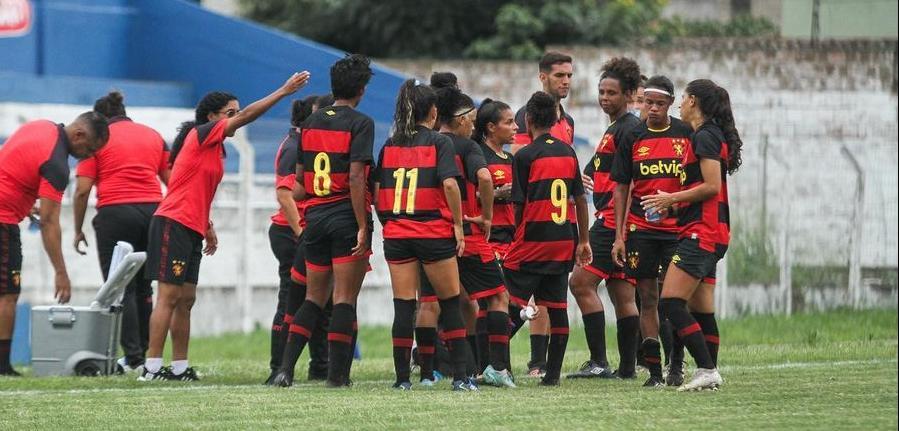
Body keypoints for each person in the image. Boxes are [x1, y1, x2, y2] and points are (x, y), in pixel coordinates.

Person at [140, 71, 310, 381]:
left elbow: (193, 187)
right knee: (168, 296)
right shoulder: (203, 134)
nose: (236, 118)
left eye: (235, 112)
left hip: (191, 226)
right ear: (212, 117)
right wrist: (284, 90)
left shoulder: (215, 148)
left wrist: (207, 226)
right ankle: (151, 368)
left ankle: (179, 367)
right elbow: (246, 116)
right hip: (173, 223)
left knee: (186, 300)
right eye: (229, 113)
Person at [271, 55, 374, 388]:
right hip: (344, 214)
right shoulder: (361, 123)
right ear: (361, 88)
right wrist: (362, 224)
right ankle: (336, 376)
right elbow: (357, 178)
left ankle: (285, 370)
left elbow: (301, 180)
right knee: (344, 298)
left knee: (313, 299)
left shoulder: (312, 123)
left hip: (314, 217)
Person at [374, 79, 476, 392]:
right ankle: (461, 377)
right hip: (431, 230)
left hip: (398, 232)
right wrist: (458, 225)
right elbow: (449, 185)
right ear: (432, 111)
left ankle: (403, 379)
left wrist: (389, 223)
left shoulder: (390, 144)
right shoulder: (438, 142)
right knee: (450, 302)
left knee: (404, 306)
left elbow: (379, 191)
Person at [643, 79, 743, 391]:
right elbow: (704, 190)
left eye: (683, 98)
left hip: (703, 232)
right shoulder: (704, 135)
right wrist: (673, 207)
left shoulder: (706, 136)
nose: (679, 104)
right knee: (701, 309)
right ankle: (709, 374)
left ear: (694, 102)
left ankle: (706, 368)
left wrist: (671, 199)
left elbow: (712, 186)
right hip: (705, 230)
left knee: (671, 303)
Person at [0, 112, 109, 376]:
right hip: (3, 222)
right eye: (90, 150)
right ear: (79, 135)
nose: (87, 156)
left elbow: (12, 167)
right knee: (7, 295)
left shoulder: (41, 126)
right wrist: (61, 272)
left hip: (7, 211)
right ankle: (2, 367)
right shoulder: (57, 164)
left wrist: (23, 205)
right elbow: (49, 222)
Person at [72, 91, 170, 372]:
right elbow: (171, 180)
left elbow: (81, 191)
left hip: (116, 213)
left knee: (119, 286)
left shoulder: (98, 140)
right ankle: (148, 356)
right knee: (144, 287)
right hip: (154, 210)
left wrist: (78, 229)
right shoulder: (153, 135)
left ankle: (134, 358)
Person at [504, 91, 591, 387]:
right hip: (563, 240)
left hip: (532, 240)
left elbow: (518, 203)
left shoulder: (525, 156)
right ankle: (552, 374)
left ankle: (493, 363)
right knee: (557, 307)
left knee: (509, 303)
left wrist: (517, 234)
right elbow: (580, 200)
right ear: (556, 120)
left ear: (527, 120)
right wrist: (583, 240)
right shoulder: (568, 152)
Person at [610, 75, 694, 387]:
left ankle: (677, 362)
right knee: (646, 296)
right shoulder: (632, 136)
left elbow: (697, 182)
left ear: (671, 104)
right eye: (648, 102)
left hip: (676, 230)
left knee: (673, 299)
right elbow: (621, 188)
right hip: (640, 229)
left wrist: (677, 208)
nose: (653, 108)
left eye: (659, 103)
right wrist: (619, 235)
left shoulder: (685, 134)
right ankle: (655, 372)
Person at [568, 57, 643, 380]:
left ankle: (599, 361)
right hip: (619, 222)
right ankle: (627, 367)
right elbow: (604, 169)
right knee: (621, 291)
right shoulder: (616, 128)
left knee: (580, 282)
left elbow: (630, 181)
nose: (604, 98)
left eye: (611, 93)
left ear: (627, 95)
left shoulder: (627, 129)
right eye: (601, 91)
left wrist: (619, 230)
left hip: (614, 222)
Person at [435, 87, 514, 388]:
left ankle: (442, 371)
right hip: (466, 233)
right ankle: (495, 367)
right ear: (461, 119)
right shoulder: (467, 147)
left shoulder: (425, 143)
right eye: (471, 117)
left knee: (442, 303)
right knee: (498, 296)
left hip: (429, 236)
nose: (473, 124)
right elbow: (483, 178)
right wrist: (488, 216)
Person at [264, 94, 332, 384]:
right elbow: (284, 194)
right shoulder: (294, 146)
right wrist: (301, 232)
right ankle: (279, 366)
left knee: (318, 302)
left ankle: (320, 366)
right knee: (292, 302)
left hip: (305, 232)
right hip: (292, 233)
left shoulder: (304, 144)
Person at [471, 98, 517, 375]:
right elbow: (469, 192)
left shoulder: (511, 159)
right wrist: (493, 195)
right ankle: (486, 365)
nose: (515, 127)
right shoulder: (478, 155)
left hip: (511, 238)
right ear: (490, 127)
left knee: (507, 302)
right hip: (489, 237)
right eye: (508, 122)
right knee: (493, 300)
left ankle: (494, 364)